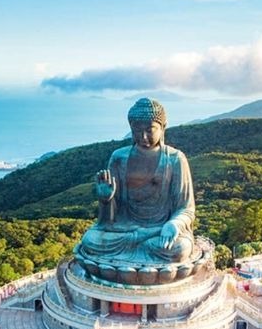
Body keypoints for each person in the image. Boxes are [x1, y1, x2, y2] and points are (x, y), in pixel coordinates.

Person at [77, 98, 195, 266]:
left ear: (163, 127)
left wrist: (174, 224)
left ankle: (133, 255)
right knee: (90, 240)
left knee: (180, 249)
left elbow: (186, 208)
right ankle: (141, 252)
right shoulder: (119, 158)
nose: (143, 136)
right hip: (125, 230)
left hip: (160, 230)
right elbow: (108, 221)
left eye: (150, 130)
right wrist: (106, 199)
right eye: (137, 130)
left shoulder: (176, 159)